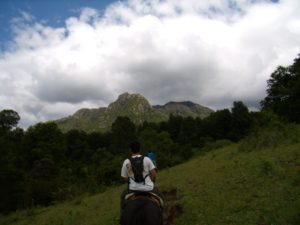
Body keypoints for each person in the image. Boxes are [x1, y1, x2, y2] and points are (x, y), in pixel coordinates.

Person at [120, 141, 164, 211]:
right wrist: (151, 181)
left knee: (123, 196)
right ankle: (162, 213)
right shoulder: (147, 159)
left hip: (133, 189)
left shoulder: (127, 162)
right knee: (161, 196)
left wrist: (131, 181)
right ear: (140, 149)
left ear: (130, 150)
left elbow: (124, 177)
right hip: (148, 187)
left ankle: (122, 215)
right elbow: (154, 174)